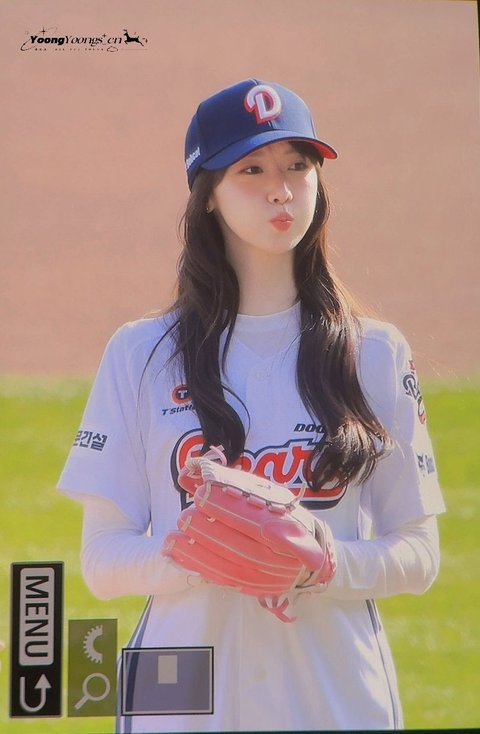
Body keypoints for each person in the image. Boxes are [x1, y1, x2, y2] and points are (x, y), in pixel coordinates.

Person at [58, 78, 446, 732]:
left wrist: (325, 562)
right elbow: (101, 561)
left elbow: (419, 553)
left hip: (334, 697)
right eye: (251, 169)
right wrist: (194, 555)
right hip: (181, 699)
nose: (281, 189)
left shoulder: (375, 352)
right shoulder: (140, 353)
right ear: (207, 194)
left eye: (298, 165)